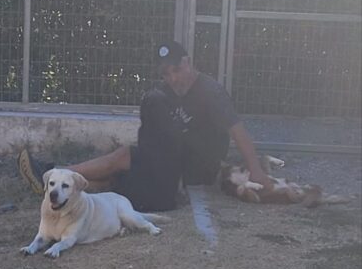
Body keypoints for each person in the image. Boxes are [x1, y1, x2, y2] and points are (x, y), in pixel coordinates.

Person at [18, 41, 272, 211]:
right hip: (174, 158)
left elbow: (238, 131)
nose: (172, 78)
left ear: (188, 62)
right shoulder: (166, 91)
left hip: (197, 166)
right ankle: (63, 189)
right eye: (166, 74)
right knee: (122, 171)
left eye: (176, 70)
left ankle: (54, 175)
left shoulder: (211, 92)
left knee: (123, 157)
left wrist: (256, 171)